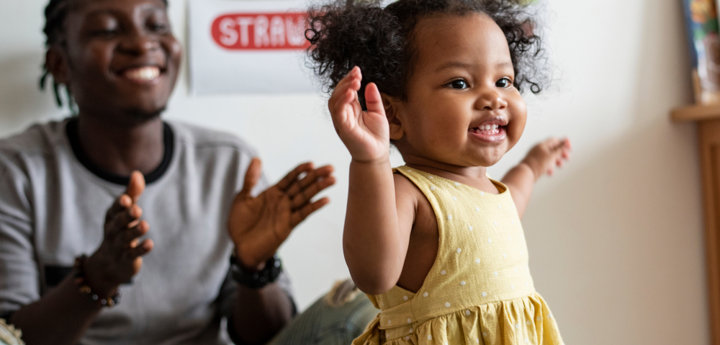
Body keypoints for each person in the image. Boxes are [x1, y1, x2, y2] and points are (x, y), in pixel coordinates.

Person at [0, 0, 376, 344]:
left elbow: (270, 338)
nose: (142, 43)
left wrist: (253, 267)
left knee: (362, 308)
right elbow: (11, 337)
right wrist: (96, 277)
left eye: (157, 25)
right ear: (60, 64)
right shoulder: (16, 170)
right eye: (108, 30)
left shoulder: (228, 163)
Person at [305, 0, 572, 343]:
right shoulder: (409, 192)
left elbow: (510, 204)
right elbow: (375, 274)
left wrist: (532, 166)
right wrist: (370, 161)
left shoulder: (489, 191)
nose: (494, 97)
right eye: (460, 83)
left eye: (504, 80)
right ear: (394, 116)